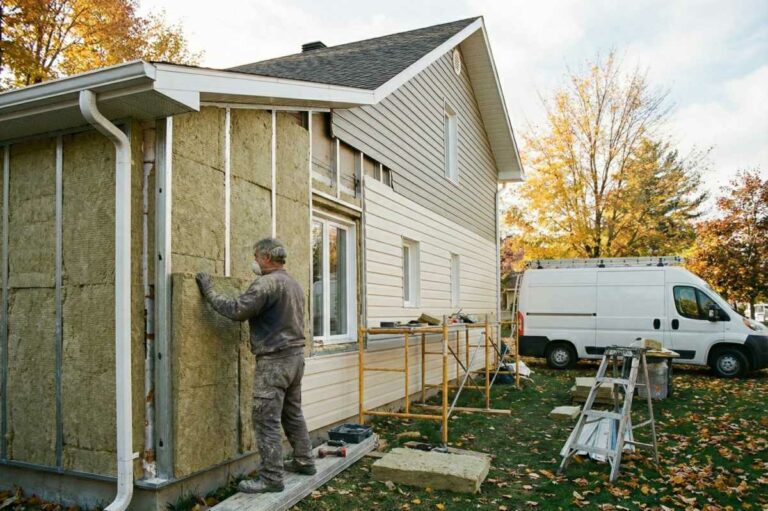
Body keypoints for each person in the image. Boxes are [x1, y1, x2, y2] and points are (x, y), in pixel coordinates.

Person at [195, 238, 315, 494]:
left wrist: (209, 291)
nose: (255, 261)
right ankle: (305, 460)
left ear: (267, 258)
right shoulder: (292, 283)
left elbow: (237, 310)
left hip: (275, 362)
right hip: (295, 359)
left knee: (265, 420)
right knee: (291, 413)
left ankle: (272, 478)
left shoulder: (266, 284)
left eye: (256, 256)